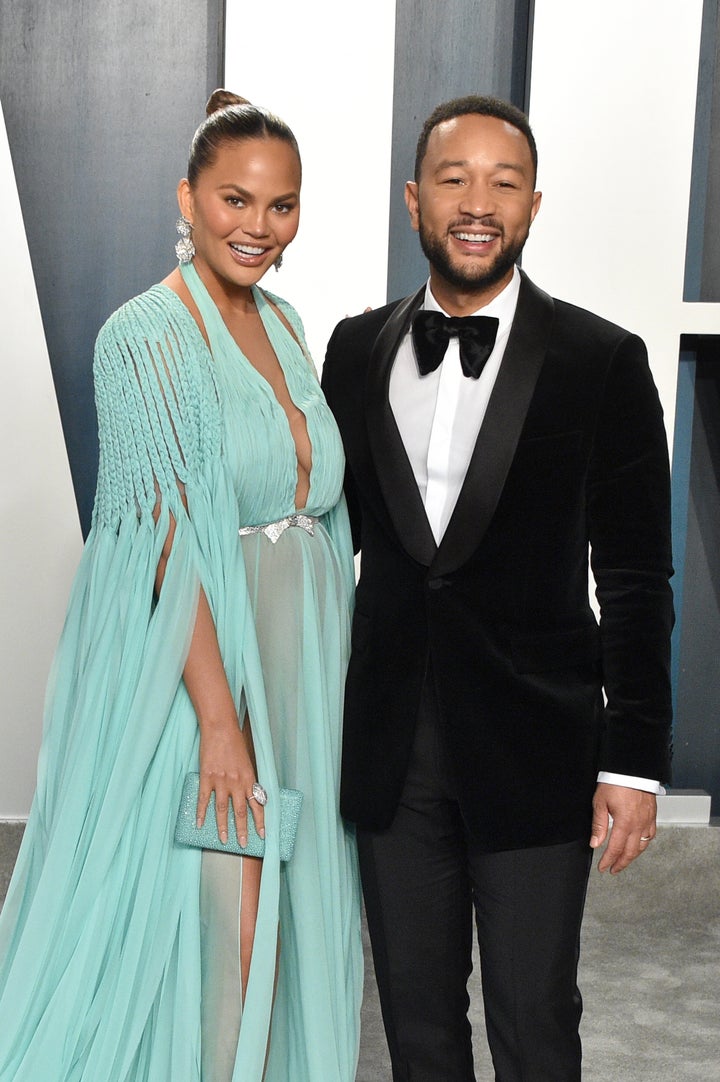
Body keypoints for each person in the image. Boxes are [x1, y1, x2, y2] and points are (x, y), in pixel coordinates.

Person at [0, 90, 362, 1082]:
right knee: (220, 923)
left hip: (305, 663)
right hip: (207, 664)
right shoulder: (143, 334)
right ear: (188, 198)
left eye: (281, 205)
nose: (258, 226)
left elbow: (318, 501)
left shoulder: (288, 322)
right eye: (235, 200)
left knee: (287, 918)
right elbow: (163, 539)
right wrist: (216, 717)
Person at [321, 94, 673, 1082]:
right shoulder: (356, 348)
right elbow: (323, 532)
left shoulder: (602, 361)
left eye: (503, 182)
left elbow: (639, 576)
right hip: (390, 749)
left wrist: (635, 761)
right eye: (453, 178)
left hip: (537, 751)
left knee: (533, 1023)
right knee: (416, 1027)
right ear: (412, 198)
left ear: (533, 205)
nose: (478, 202)